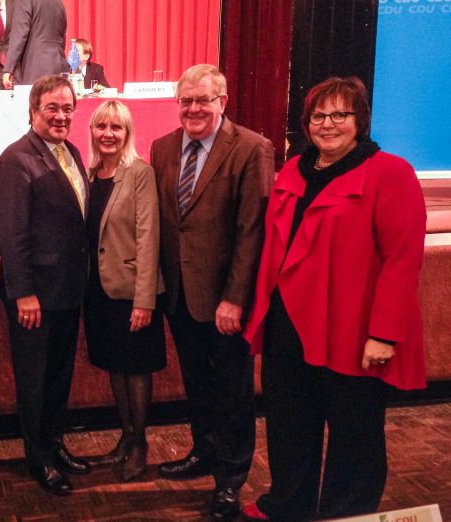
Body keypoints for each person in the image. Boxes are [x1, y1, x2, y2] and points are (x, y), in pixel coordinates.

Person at [240, 77, 427, 522]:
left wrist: (383, 334)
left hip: (352, 329)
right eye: (318, 116)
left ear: (359, 120)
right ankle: (288, 504)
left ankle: (346, 514)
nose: (328, 124)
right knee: (289, 426)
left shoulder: (389, 173)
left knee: (355, 435)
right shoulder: (293, 171)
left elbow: (402, 261)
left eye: (340, 115)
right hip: (289, 326)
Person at [151, 63, 274, 520]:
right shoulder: (162, 147)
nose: (194, 108)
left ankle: (230, 478)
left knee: (233, 391)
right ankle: (203, 451)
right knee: (197, 384)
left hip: (224, 300)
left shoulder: (251, 148)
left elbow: (251, 231)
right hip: (179, 295)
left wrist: (235, 298)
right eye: (186, 100)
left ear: (223, 101)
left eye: (203, 99)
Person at [0, 75, 91, 495]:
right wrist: (23, 292)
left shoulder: (70, 151)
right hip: (35, 296)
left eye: (67, 108)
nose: (61, 115)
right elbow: (11, 232)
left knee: (58, 376)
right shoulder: (17, 158)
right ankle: (39, 457)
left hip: (69, 290)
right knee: (34, 381)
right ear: (33, 111)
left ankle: (55, 443)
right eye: (52, 107)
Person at [83, 100, 164, 481]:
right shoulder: (89, 173)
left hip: (132, 292)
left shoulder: (140, 173)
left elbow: (150, 238)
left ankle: (141, 442)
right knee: (114, 365)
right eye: (102, 127)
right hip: (99, 292)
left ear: (127, 132)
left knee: (136, 369)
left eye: (116, 127)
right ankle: (126, 436)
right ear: (93, 132)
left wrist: (144, 300)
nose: (109, 134)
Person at [2, 0, 68, 89]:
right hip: (59, 65)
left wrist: (9, 69)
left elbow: (19, 35)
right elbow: (62, 35)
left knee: (35, 101)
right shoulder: (59, 2)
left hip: (36, 68)